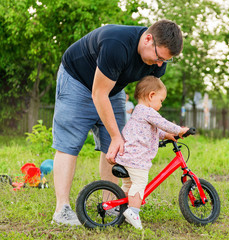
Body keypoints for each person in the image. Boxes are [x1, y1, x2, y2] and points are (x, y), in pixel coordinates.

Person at [51, 20, 183, 225]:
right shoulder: (117, 44)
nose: (159, 64)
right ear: (148, 39)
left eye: (165, 60)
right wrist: (115, 135)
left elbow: (145, 101)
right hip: (77, 81)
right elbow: (98, 93)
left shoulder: (158, 63)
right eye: (158, 57)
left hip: (111, 88)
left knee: (116, 148)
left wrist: (160, 129)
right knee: (69, 144)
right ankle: (62, 210)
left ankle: (110, 205)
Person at [113, 76, 189, 229]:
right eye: (161, 100)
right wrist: (179, 130)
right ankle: (133, 212)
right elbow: (163, 123)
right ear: (151, 95)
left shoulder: (139, 112)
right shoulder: (147, 111)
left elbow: (154, 129)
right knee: (140, 182)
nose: (161, 104)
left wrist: (167, 135)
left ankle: (117, 209)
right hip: (136, 159)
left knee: (128, 184)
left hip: (127, 157)